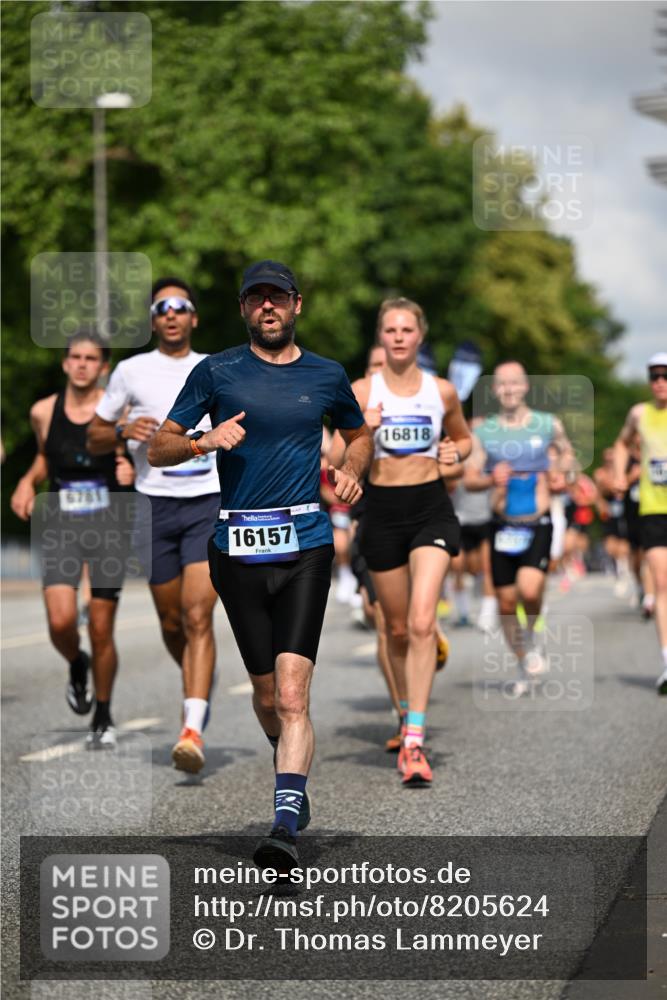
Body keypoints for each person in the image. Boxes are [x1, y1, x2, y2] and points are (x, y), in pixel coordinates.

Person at [147, 260, 373, 870]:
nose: (267, 308)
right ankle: (290, 761)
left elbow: (358, 434)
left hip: (305, 542)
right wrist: (202, 441)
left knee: (295, 693)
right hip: (237, 550)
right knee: (269, 697)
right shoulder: (215, 371)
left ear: (297, 304)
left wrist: (352, 472)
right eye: (256, 299)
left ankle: (284, 822)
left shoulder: (326, 374)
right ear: (244, 309)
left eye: (277, 298)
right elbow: (157, 446)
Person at [87, 278, 220, 773]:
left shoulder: (214, 368)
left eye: (180, 306)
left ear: (193, 318)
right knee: (171, 622)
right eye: (161, 307)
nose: (170, 314)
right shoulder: (130, 370)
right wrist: (122, 429)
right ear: (152, 319)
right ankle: (198, 678)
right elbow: (96, 434)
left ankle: (192, 726)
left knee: (197, 615)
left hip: (206, 501)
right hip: (152, 506)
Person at [352, 297, 471, 786]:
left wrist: (452, 451)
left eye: (407, 330)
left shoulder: (441, 392)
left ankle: (415, 741)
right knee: (396, 629)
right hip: (381, 513)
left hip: (429, 511)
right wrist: (364, 431)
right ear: (381, 337)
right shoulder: (361, 390)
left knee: (423, 623)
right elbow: (339, 455)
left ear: (419, 337)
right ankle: (405, 715)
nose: (399, 337)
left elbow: (464, 441)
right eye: (391, 330)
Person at [10, 332, 133, 747]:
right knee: (61, 622)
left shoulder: (118, 411)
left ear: (103, 367)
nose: (81, 364)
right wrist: (27, 482)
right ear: (64, 364)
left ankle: (103, 712)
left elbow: (135, 455)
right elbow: (45, 456)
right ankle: (76, 662)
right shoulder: (44, 411)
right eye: (75, 357)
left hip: (109, 527)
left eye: (91, 358)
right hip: (63, 524)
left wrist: (126, 467)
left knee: (101, 628)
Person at [464, 361, 575, 695]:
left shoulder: (547, 424)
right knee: (506, 603)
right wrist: (488, 479)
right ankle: (525, 657)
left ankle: (534, 632)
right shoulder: (482, 430)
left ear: (525, 386)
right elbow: (469, 479)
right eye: (502, 384)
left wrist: (562, 475)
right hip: (501, 525)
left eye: (515, 383)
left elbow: (568, 458)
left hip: (536, 522)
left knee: (529, 590)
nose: (509, 389)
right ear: (494, 390)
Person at [613, 353, 667, 694]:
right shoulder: (640, 413)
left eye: (666, 375)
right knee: (662, 583)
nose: (660, 381)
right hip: (653, 509)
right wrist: (619, 473)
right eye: (654, 376)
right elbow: (621, 442)